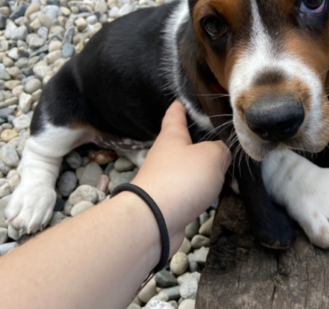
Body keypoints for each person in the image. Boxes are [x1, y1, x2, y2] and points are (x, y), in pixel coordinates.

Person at [0, 100, 231, 309]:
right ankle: (40, 157)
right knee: (64, 101)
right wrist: (42, 165)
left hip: (137, 126)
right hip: (83, 102)